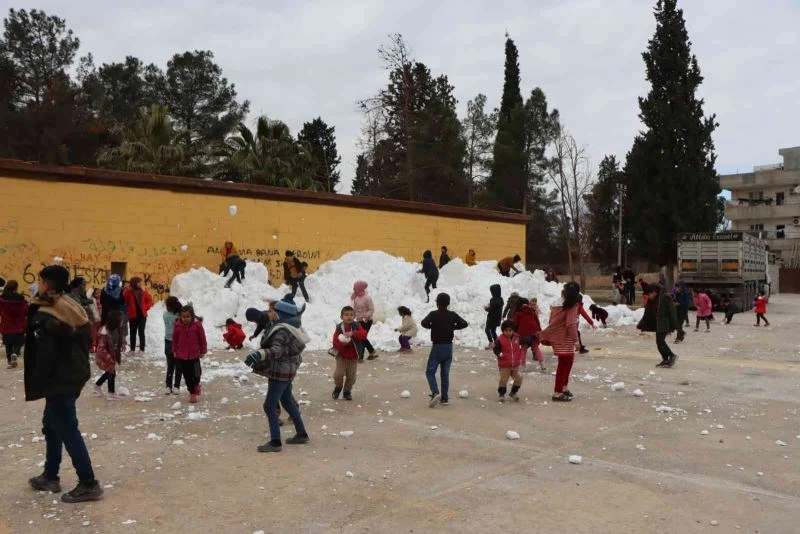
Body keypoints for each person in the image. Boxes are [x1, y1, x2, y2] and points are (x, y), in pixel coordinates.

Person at [24, 265, 104, 503]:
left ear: (47, 284)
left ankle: (88, 483)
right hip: (73, 372)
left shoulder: (47, 313)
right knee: (51, 425)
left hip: (61, 378)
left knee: (67, 427)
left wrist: (39, 383)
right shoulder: (69, 304)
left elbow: (46, 354)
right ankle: (50, 475)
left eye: (42, 281)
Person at [243, 298, 310, 453]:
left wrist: (259, 354)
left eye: (273, 311)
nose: (269, 313)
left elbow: (277, 350)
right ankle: (301, 433)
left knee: (269, 405)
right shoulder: (289, 327)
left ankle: (275, 442)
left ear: (281, 314)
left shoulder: (281, 330)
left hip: (280, 372)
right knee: (287, 401)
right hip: (288, 370)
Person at [420, 293, 468, 408]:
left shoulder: (433, 314)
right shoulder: (452, 315)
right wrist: (453, 327)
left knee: (430, 372)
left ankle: (435, 392)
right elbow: (464, 323)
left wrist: (433, 326)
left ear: (437, 303)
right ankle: (444, 398)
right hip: (448, 347)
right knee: (445, 373)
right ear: (448, 303)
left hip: (437, 347)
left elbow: (423, 323)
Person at [538, 281, 581, 402]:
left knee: (567, 362)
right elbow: (571, 325)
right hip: (565, 338)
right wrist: (577, 341)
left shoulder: (556, 304)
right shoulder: (571, 306)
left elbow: (551, 321)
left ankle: (563, 388)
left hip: (557, 337)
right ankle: (557, 392)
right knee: (564, 364)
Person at [330, 306, 368, 400]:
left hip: (353, 356)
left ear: (354, 316)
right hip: (341, 355)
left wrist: (353, 334)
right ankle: (338, 388)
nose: (349, 317)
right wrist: (342, 344)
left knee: (351, 376)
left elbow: (364, 335)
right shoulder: (339, 328)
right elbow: (335, 342)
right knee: (339, 374)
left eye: (351, 315)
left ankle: (347, 391)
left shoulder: (356, 326)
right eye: (346, 315)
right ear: (341, 317)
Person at [172, 305, 207, 403]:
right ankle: (192, 393)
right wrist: (174, 350)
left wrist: (203, 350)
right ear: (180, 317)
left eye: (187, 316)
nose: (185, 319)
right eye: (183, 317)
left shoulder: (197, 325)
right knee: (187, 376)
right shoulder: (177, 326)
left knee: (197, 373)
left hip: (194, 355)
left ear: (192, 316)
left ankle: (196, 384)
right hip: (182, 355)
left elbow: (202, 338)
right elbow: (174, 339)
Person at [638, 284, 679, 368]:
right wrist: (642, 324)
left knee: (660, 341)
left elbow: (672, 312)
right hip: (657, 324)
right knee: (659, 342)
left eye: (649, 294)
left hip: (664, 323)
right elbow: (647, 313)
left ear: (654, 292)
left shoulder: (665, 297)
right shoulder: (652, 300)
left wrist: (674, 325)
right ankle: (665, 359)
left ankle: (672, 356)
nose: (648, 297)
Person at [93, 310, 125, 400]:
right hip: (105, 355)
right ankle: (111, 393)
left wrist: (123, 343)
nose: (122, 322)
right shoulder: (105, 333)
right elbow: (101, 349)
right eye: (120, 320)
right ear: (115, 321)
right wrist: (108, 358)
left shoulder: (118, 328)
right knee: (111, 372)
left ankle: (97, 385)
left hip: (112, 353)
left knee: (110, 372)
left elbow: (120, 337)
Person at [492, 320, 526, 402]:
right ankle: (502, 394)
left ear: (513, 330)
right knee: (504, 380)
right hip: (504, 365)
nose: (508, 332)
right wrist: (499, 354)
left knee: (519, 379)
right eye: (506, 330)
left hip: (515, 365)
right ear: (503, 331)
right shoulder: (500, 339)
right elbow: (495, 349)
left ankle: (513, 392)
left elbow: (524, 343)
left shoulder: (517, 338)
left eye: (510, 330)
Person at [0, 280, 27, 369]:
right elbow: (26, 311)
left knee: (8, 344)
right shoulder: (21, 299)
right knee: (18, 342)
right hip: (19, 326)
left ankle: (9, 362)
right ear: (16, 288)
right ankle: (15, 353)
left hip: (6, 326)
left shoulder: (2, 299)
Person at [513, 298, 545, 372]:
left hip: (523, 334)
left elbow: (515, 324)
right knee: (536, 348)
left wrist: (515, 332)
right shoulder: (532, 311)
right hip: (534, 333)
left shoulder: (518, 313)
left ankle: (522, 366)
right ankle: (542, 364)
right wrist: (539, 332)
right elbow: (537, 322)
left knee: (523, 349)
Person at [123, 277, 152, 353]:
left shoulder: (144, 292)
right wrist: (126, 290)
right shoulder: (129, 292)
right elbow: (124, 300)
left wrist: (145, 308)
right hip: (133, 316)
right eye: (139, 282)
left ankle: (142, 349)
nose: (140, 284)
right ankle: (132, 349)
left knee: (141, 333)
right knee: (133, 333)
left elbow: (149, 301)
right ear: (134, 283)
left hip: (142, 316)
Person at [352, 281, 378, 361]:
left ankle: (360, 357)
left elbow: (371, 309)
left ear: (360, 288)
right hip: (359, 321)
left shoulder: (367, 298)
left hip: (367, 321)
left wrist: (365, 317)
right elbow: (355, 309)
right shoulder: (356, 298)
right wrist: (352, 318)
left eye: (355, 288)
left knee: (362, 337)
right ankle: (371, 352)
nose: (354, 289)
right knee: (361, 337)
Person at [162, 296, 183, 395]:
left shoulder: (166, 315)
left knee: (170, 365)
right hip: (175, 342)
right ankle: (176, 386)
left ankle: (168, 386)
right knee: (178, 366)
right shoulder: (179, 316)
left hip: (170, 342)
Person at [484, 284, 503, 349]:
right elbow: (496, 308)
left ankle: (491, 343)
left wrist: (487, 308)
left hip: (492, 318)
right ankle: (497, 343)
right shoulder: (500, 299)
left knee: (487, 330)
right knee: (493, 331)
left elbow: (491, 309)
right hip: (497, 318)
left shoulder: (493, 300)